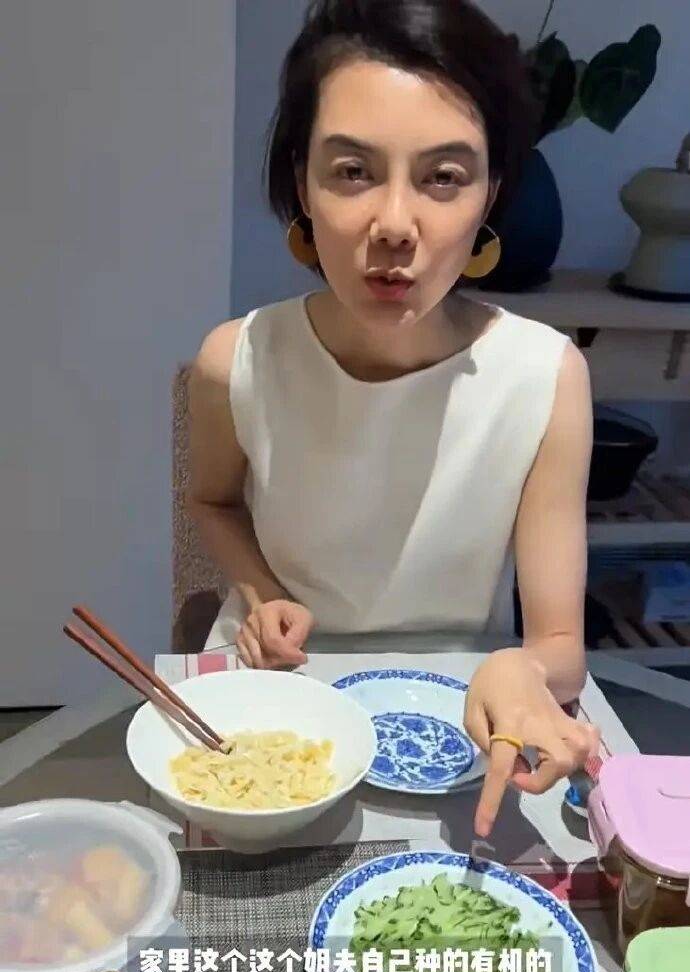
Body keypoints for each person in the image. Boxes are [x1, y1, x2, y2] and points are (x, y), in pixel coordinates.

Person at [187, 0, 599, 837]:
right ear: (301, 181)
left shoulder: (544, 377)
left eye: (444, 177)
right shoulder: (237, 360)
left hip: (458, 715)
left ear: (491, 195)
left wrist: (523, 668)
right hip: (274, 701)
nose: (396, 226)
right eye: (352, 172)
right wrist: (265, 594)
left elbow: (560, 641)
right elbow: (212, 502)